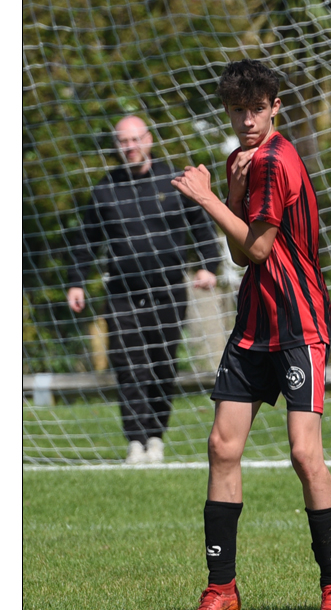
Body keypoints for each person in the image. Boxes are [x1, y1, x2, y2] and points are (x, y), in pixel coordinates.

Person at [171, 59, 331, 610]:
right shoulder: (240, 161)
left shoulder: (277, 160)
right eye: (237, 111)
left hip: (298, 324)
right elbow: (240, 256)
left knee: (305, 454)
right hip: (254, 327)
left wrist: (208, 199)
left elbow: (255, 249)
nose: (247, 121)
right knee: (222, 447)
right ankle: (221, 588)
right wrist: (227, 188)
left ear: (276, 107)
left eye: (257, 110)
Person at [66, 115, 221, 465]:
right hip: (121, 292)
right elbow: (87, 240)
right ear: (117, 145)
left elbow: (201, 223)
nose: (130, 146)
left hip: (168, 290)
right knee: (127, 364)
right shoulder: (105, 189)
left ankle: (155, 437)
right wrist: (77, 281)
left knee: (162, 364)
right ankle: (135, 441)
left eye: (135, 139)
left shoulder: (173, 180)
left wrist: (209, 265)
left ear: (148, 140)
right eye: (123, 141)